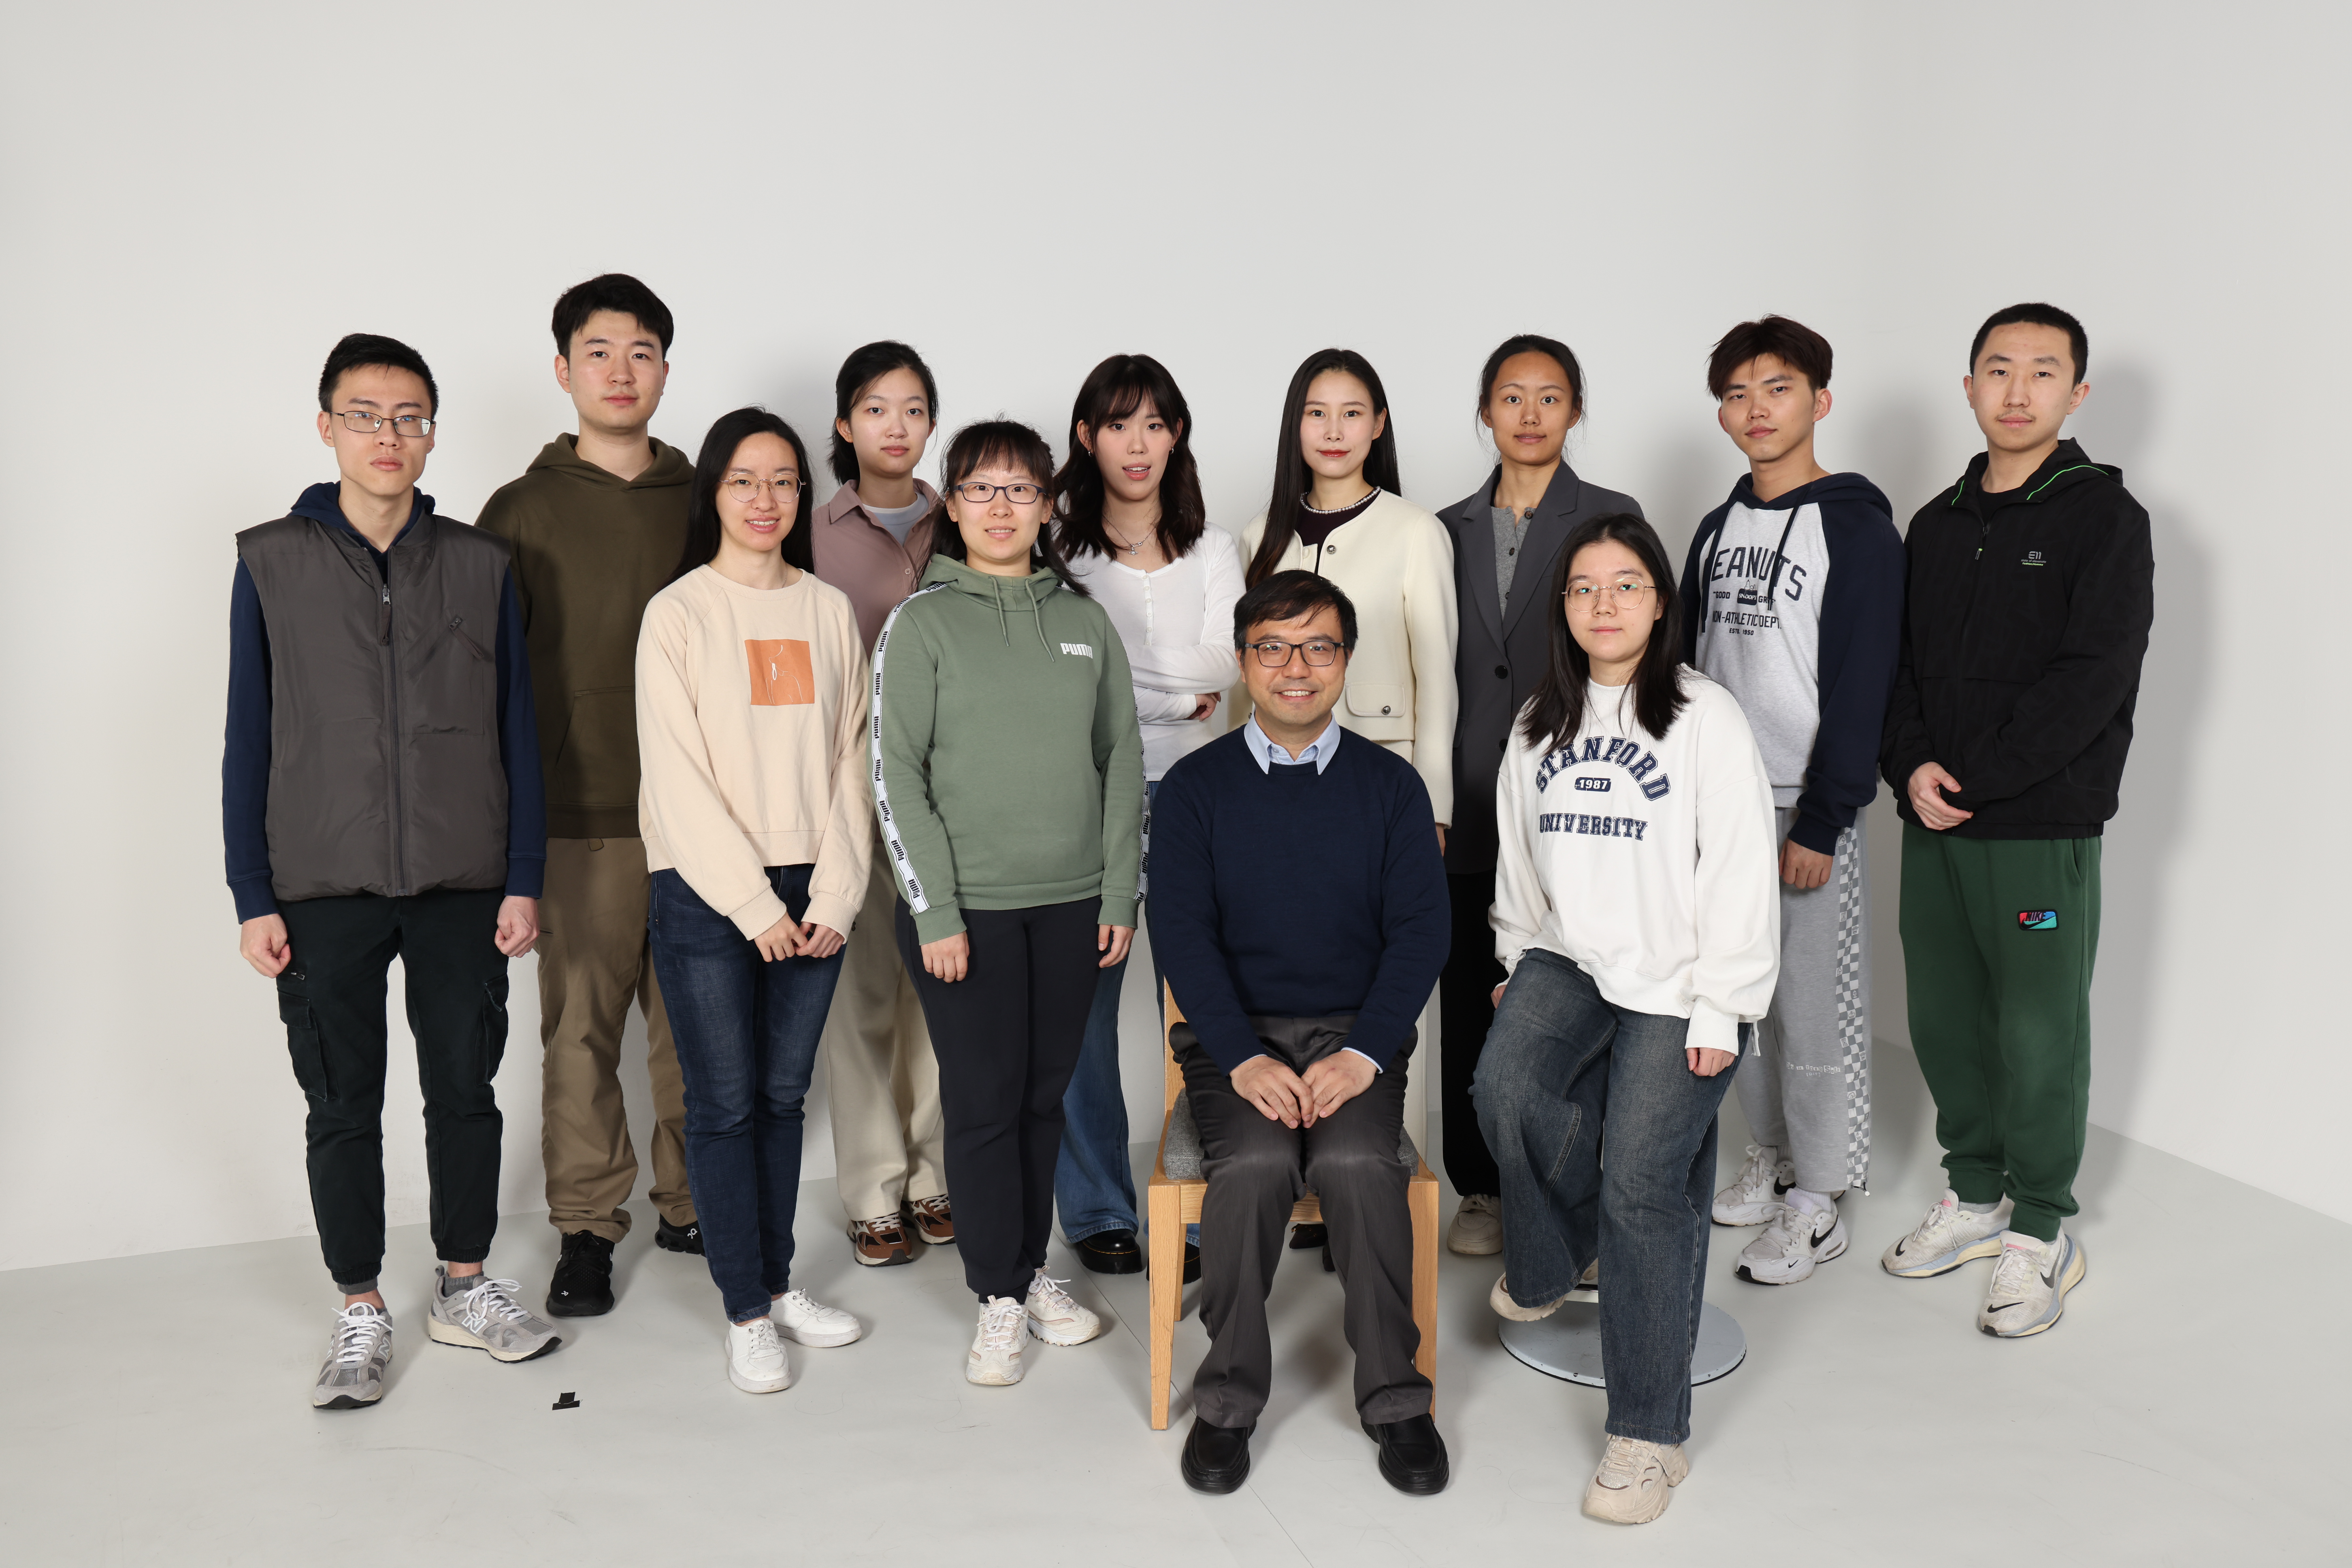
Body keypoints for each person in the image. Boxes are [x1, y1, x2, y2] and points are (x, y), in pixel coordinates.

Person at [226, 333, 560, 1410]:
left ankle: (464, 1286)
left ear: (431, 432)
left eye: (410, 416)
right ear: (325, 425)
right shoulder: (270, 561)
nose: (389, 435)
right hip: (322, 886)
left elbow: (521, 727)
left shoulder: (478, 562)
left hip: (464, 881)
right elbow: (249, 735)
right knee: (342, 1101)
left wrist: (522, 876)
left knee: (465, 1091)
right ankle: (361, 1305)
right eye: (366, 415)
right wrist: (252, 893)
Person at [1474, 513, 1779, 1525]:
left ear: (1659, 599)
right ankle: (1562, 1256)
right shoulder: (1536, 724)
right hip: (1570, 957)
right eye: (1583, 588)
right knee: (1504, 1090)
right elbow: (1521, 865)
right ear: (1563, 608)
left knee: (1645, 1182)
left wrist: (1724, 1007)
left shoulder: (1705, 718)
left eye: (1626, 585)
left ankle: (1648, 1433)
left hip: (1684, 978)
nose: (1604, 605)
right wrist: (1519, 962)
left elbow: (1740, 876)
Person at [1876, 303, 2151, 1338]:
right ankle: (1975, 1193)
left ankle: (2042, 1226)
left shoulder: (2104, 520)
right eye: (1999, 369)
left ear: (2077, 393)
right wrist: (1908, 766)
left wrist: (1978, 775)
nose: (2019, 389)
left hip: (2038, 824)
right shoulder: (1936, 524)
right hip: (1934, 818)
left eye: (2044, 372)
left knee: (2039, 1028)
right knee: (1944, 1017)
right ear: (1970, 387)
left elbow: (2092, 679)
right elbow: (1896, 669)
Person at [1150, 570, 1453, 1498]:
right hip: (1232, 1041)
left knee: (1361, 1166)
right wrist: (1241, 1056)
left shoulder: (1391, 788)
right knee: (1251, 1167)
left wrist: (1362, 1052)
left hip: (1355, 1039)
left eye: (1319, 647)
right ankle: (1229, 1401)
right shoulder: (1197, 788)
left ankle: (1398, 1399)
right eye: (1273, 648)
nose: (1296, 667)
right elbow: (1181, 933)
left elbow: (1422, 933)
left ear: (1346, 663)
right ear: (1244, 661)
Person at [869, 420, 1145, 1385]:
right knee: (984, 1104)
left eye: (1020, 491)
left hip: (1074, 905)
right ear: (952, 503)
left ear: (1046, 507)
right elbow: (894, 771)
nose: (1000, 508)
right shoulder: (923, 621)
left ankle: (1027, 1273)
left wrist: (1120, 888)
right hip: (967, 915)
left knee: (1042, 1097)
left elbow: (1121, 764)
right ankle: (997, 1294)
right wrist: (935, 910)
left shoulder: (1082, 621)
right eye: (980, 490)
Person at [478, 273, 701, 1321]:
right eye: (600, 351)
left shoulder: (710, 502)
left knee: (699, 1031)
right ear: (564, 370)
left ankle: (693, 1205)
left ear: (667, 367)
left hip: (704, 820)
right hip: (578, 820)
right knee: (579, 1038)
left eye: (642, 350)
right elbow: (484, 676)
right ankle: (583, 1230)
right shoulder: (519, 511)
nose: (622, 370)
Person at [636, 408, 872, 1393]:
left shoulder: (826, 609)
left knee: (783, 1096)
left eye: (783, 481)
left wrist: (837, 889)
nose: (767, 500)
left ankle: (777, 1285)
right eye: (744, 481)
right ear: (714, 496)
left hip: (814, 885)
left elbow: (858, 756)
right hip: (706, 890)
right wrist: (752, 905)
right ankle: (743, 1309)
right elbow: (675, 779)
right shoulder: (679, 613)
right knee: (725, 1105)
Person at [1673, 316, 1904, 1287]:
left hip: (1801, 805)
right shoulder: (1718, 528)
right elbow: (1684, 664)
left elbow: (1865, 681)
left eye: (1777, 387)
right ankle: (1769, 1158)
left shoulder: (1854, 524)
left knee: (1811, 1007)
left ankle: (1821, 1198)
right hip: (1716, 803)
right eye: (1736, 392)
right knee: (1734, 994)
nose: (1755, 408)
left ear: (1820, 399)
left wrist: (1825, 815)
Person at [1241, 347, 1456, 1255]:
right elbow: (1250, 670)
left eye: (1353, 412)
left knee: (1385, 983)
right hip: (1277, 793)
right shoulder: (1263, 528)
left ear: (1378, 426)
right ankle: (1288, 1173)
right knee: (1285, 974)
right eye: (1316, 413)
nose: (1334, 431)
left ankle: (1366, 1188)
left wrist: (1436, 802)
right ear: (1297, 427)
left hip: (1385, 778)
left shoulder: (1414, 530)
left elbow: (1438, 674)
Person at [1435, 334, 1644, 1259]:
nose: (1529, 414)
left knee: (1576, 989)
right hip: (1464, 796)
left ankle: (1573, 1186)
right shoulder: (1443, 527)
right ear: (1485, 411)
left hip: (1579, 797)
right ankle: (1480, 1187)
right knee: (1467, 993)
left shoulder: (1611, 515)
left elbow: (1640, 653)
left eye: (1549, 397)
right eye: (1511, 397)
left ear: (1576, 411)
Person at [1049, 352, 1240, 1278]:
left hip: (1204, 805)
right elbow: (1064, 680)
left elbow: (1226, 667)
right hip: (1090, 798)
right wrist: (1165, 702)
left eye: (1156, 424)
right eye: (1119, 423)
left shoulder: (1215, 549)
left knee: (1203, 1007)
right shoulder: (1057, 547)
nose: (1138, 443)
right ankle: (1095, 1209)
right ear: (1087, 436)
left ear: (1177, 437)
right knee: (1081, 1013)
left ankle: (1203, 1205)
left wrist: (1122, 680)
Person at [807, 341, 954, 1268]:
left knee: (946, 996)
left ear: (931, 424)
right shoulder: (807, 532)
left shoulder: (970, 522)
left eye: (911, 409)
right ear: (843, 424)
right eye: (874, 408)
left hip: (953, 797)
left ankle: (937, 1175)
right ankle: (871, 1189)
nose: (894, 427)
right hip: (851, 791)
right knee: (863, 996)